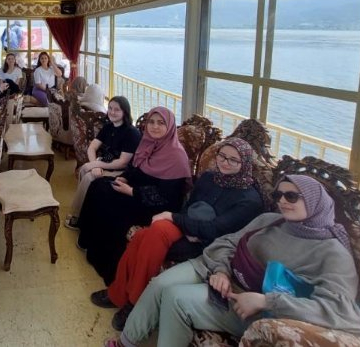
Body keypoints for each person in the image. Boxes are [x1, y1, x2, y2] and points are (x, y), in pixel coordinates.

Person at [107, 174, 360, 347]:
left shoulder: (332, 252)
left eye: (292, 196)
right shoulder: (270, 221)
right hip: (220, 271)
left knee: (175, 298)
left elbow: (342, 312)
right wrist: (221, 270)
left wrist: (267, 301)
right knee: (160, 284)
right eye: (279, 195)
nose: (283, 202)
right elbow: (229, 242)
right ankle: (127, 341)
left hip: (250, 303)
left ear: (315, 202)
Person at [94, 137, 264, 331]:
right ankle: (121, 296)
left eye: (233, 160)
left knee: (147, 238)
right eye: (222, 156)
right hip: (188, 227)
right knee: (145, 236)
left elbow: (216, 229)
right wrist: (184, 224)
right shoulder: (209, 177)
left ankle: (130, 302)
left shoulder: (249, 200)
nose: (225, 162)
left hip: (209, 243)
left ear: (245, 164)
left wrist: (175, 219)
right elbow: (189, 206)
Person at [77, 106, 190, 285]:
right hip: (136, 190)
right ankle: (89, 242)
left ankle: (109, 269)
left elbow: (167, 197)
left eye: (161, 123)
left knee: (113, 207)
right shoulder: (148, 143)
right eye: (151, 122)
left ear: (169, 127)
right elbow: (135, 168)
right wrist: (124, 178)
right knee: (99, 186)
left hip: (155, 206)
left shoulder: (176, 156)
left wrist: (131, 191)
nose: (155, 127)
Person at [64, 97, 141, 230]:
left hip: (121, 170)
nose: (112, 112)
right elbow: (92, 147)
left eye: (117, 109)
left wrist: (97, 165)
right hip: (105, 163)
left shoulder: (131, 133)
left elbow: (123, 163)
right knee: (84, 169)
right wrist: (95, 164)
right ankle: (83, 210)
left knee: (89, 177)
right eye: (110, 108)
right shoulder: (108, 127)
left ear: (125, 112)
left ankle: (78, 217)